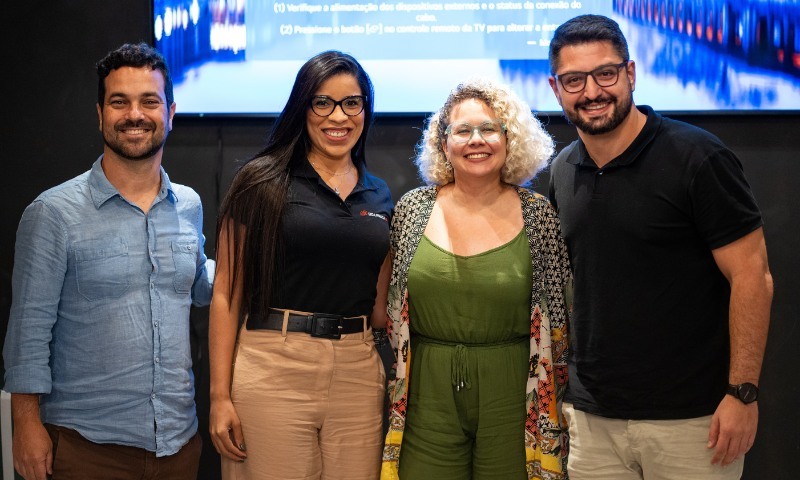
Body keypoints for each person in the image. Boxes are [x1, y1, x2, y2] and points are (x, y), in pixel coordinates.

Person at [546, 14, 774, 480]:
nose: (591, 91)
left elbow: (752, 275)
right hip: (593, 421)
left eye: (605, 73)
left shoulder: (698, 156)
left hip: (694, 421)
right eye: (574, 80)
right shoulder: (562, 170)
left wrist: (743, 393)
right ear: (555, 88)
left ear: (630, 73)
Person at [3, 42, 214, 480]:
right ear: (100, 114)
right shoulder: (53, 213)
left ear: (170, 112)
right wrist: (24, 424)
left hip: (179, 443)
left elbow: (200, 286)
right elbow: (27, 331)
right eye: (120, 102)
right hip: (85, 448)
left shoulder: (188, 206)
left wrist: (256, 257)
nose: (134, 114)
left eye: (148, 102)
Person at [208, 50, 393, 480]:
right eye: (322, 102)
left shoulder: (379, 195)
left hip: (357, 372)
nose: (339, 116)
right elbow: (225, 294)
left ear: (365, 108)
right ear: (302, 108)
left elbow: (382, 307)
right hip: (274, 368)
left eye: (352, 102)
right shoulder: (259, 183)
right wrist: (219, 396)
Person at [381, 78, 572, 480]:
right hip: (426, 391)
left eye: (489, 128)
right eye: (462, 131)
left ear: (510, 138)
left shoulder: (539, 215)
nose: (476, 140)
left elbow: (560, 318)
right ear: (443, 143)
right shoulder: (412, 209)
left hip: (514, 391)